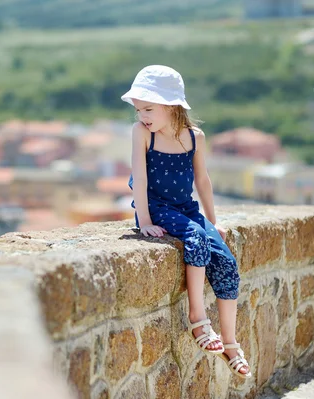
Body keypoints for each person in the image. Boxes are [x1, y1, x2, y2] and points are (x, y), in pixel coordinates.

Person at [121, 65, 251, 379]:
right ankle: (197, 319)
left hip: (187, 208)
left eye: (149, 109)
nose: (143, 116)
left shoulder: (195, 137)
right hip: (156, 206)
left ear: (172, 105)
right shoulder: (142, 133)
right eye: (139, 110)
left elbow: (203, 181)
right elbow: (139, 178)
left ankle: (231, 343)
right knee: (193, 236)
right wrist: (145, 221)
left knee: (226, 261)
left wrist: (213, 220)